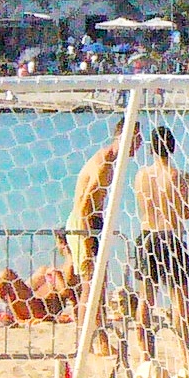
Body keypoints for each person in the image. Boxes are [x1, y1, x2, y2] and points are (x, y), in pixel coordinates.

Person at [132, 124, 189, 361]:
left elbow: (142, 206)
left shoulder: (140, 176)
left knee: (146, 299)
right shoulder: (180, 177)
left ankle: (145, 354)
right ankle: (186, 351)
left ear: (151, 148)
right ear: (173, 148)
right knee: (180, 299)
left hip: (147, 235)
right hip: (171, 236)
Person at [67, 119, 140, 282]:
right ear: (124, 136)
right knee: (91, 284)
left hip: (92, 222)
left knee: (99, 283)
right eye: (137, 138)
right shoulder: (105, 162)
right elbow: (84, 206)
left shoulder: (111, 161)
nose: (140, 144)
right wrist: (87, 245)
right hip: (84, 223)